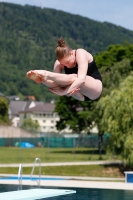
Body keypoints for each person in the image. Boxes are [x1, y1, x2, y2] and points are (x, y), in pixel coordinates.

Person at [26, 37, 102, 101]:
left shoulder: (80, 53)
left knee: (75, 77)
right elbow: (57, 85)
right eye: (63, 64)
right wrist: (63, 91)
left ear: (72, 53)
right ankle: (41, 79)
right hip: (78, 95)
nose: (66, 66)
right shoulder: (58, 63)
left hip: (94, 89)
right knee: (59, 81)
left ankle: (46, 74)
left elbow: (81, 79)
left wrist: (64, 92)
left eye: (68, 62)